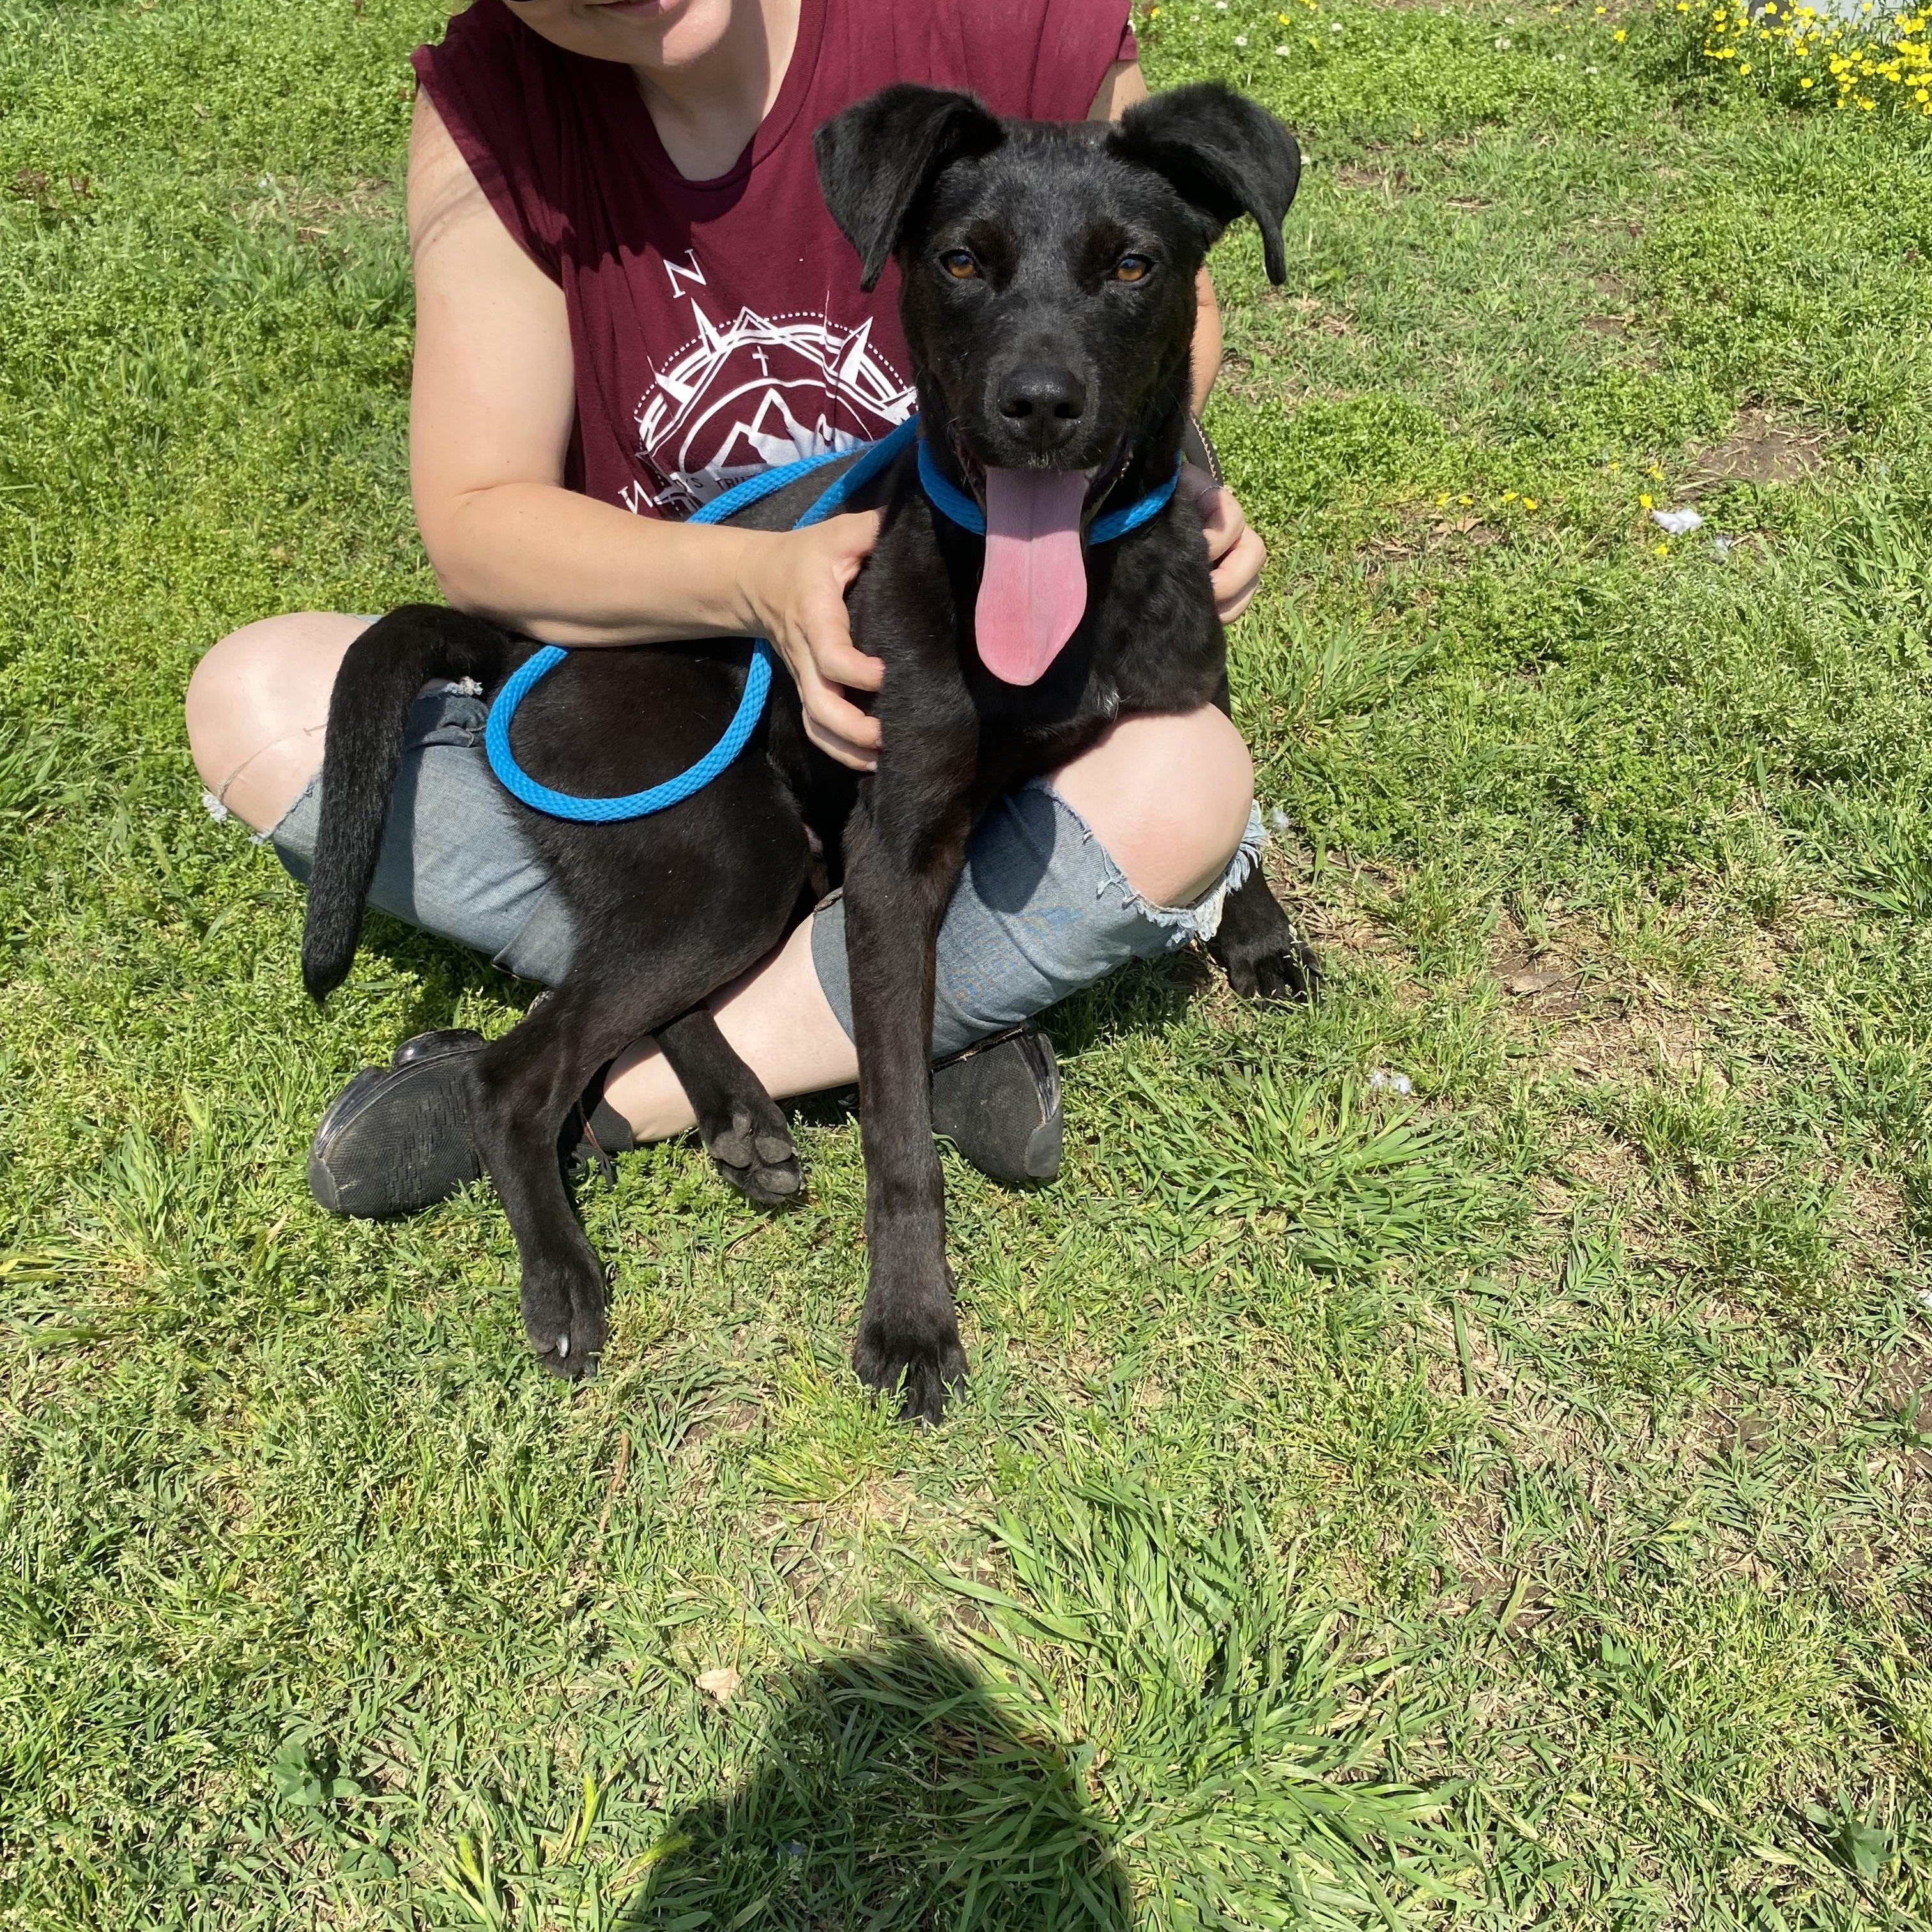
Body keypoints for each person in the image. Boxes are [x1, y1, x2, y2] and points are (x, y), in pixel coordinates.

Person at [184, 0, 1270, 1214]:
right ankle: (905, 1003)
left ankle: (635, 1074)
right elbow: (482, 514)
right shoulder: (501, 102)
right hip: (674, 696)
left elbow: (1153, 274)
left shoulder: (991, 15)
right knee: (254, 697)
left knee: (1187, 786)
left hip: (965, 669)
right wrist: (758, 583)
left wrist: (1133, 494)